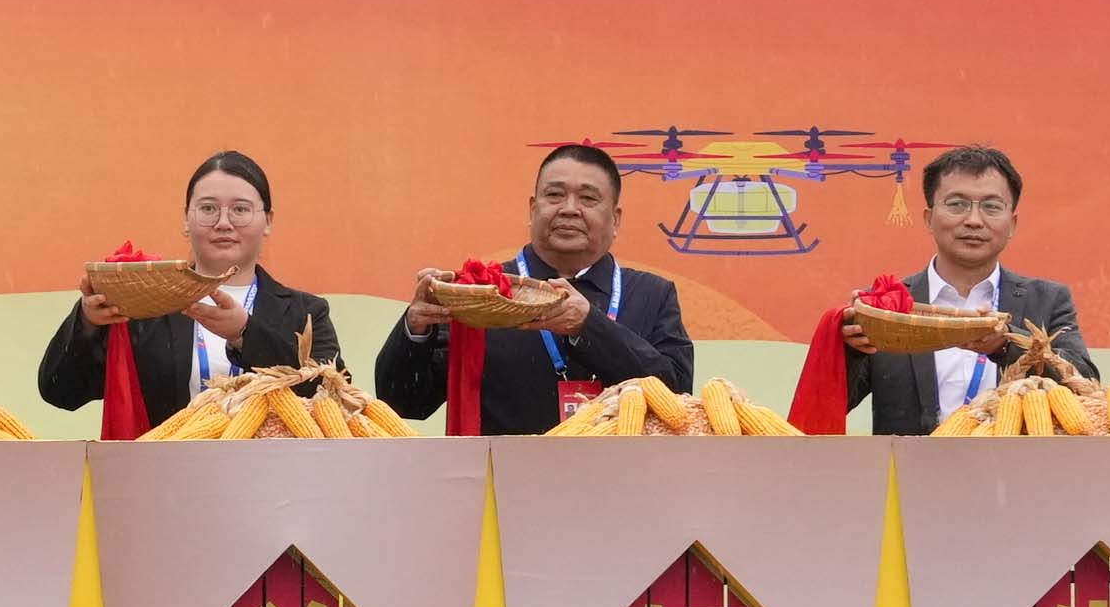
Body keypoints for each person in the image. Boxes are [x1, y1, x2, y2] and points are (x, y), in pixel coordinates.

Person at [372, 142, 694, 434]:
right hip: (503, 476)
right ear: (532, 209)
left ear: (615, 219)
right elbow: (404, 403)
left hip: (622, 477)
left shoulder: (653, 294)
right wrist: (416, 329)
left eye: (588, 198)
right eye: (554, 195)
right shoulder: (480, 291)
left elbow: (678, 397)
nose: (569, 208)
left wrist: (590, 327)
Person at [38, 150, 339, 425]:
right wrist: (88, 323)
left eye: (240, 209)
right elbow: (61, 393)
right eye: (208, 208)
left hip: (270, 468)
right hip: (164, 467)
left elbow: (334, 400)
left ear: (268, 221)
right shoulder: (149, 304)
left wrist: (245, 334)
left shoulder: (306, 313)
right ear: (186, 219)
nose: (223, 222)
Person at [854, 144, 1092, 435]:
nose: (974, 220)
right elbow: (832, 402)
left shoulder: (1047, 300)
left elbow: (1085, 385)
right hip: (907, 464)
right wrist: (847, 349)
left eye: (991, 207)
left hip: (1015, 464)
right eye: (957, 204)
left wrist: (1006, 345)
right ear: (929, 218)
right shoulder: (887, 306)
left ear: (1012, 224)